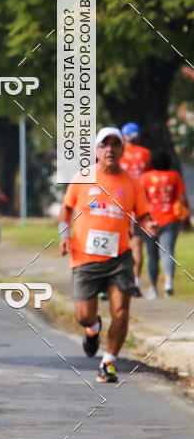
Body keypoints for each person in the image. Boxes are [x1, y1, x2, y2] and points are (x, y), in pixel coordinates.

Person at [59, 127, 158, 384]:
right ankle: (93, 329)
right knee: (83, 315)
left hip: (119, 257)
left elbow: (144, 214)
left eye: (115, 145)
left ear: (122, 150)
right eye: (105, 145)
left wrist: (150, 225)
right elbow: (65, 211)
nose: (110, 149)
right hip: (85, 258)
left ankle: (108, 364)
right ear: (96, 150)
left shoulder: (132, 183)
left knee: (122, 311)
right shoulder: (82, 177)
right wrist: (64, 236)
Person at [140, 151, 190, 298]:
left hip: (150, 221)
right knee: (168, 251)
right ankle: (168, 282)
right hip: (170, 219)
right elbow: (182, 197)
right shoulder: (174, 176)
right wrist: (186, 216)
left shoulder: (145, 177)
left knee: (152, 255)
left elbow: (141, 199)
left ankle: (153, 288)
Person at [119, 122, 152, 296]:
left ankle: (113, 282)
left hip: (120, 201)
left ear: (124, 137)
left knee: (117, 242)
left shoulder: (119, 153)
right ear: (137, 137)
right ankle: (136, 282)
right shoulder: (146, 154)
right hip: (140, 202)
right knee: (138, 245)